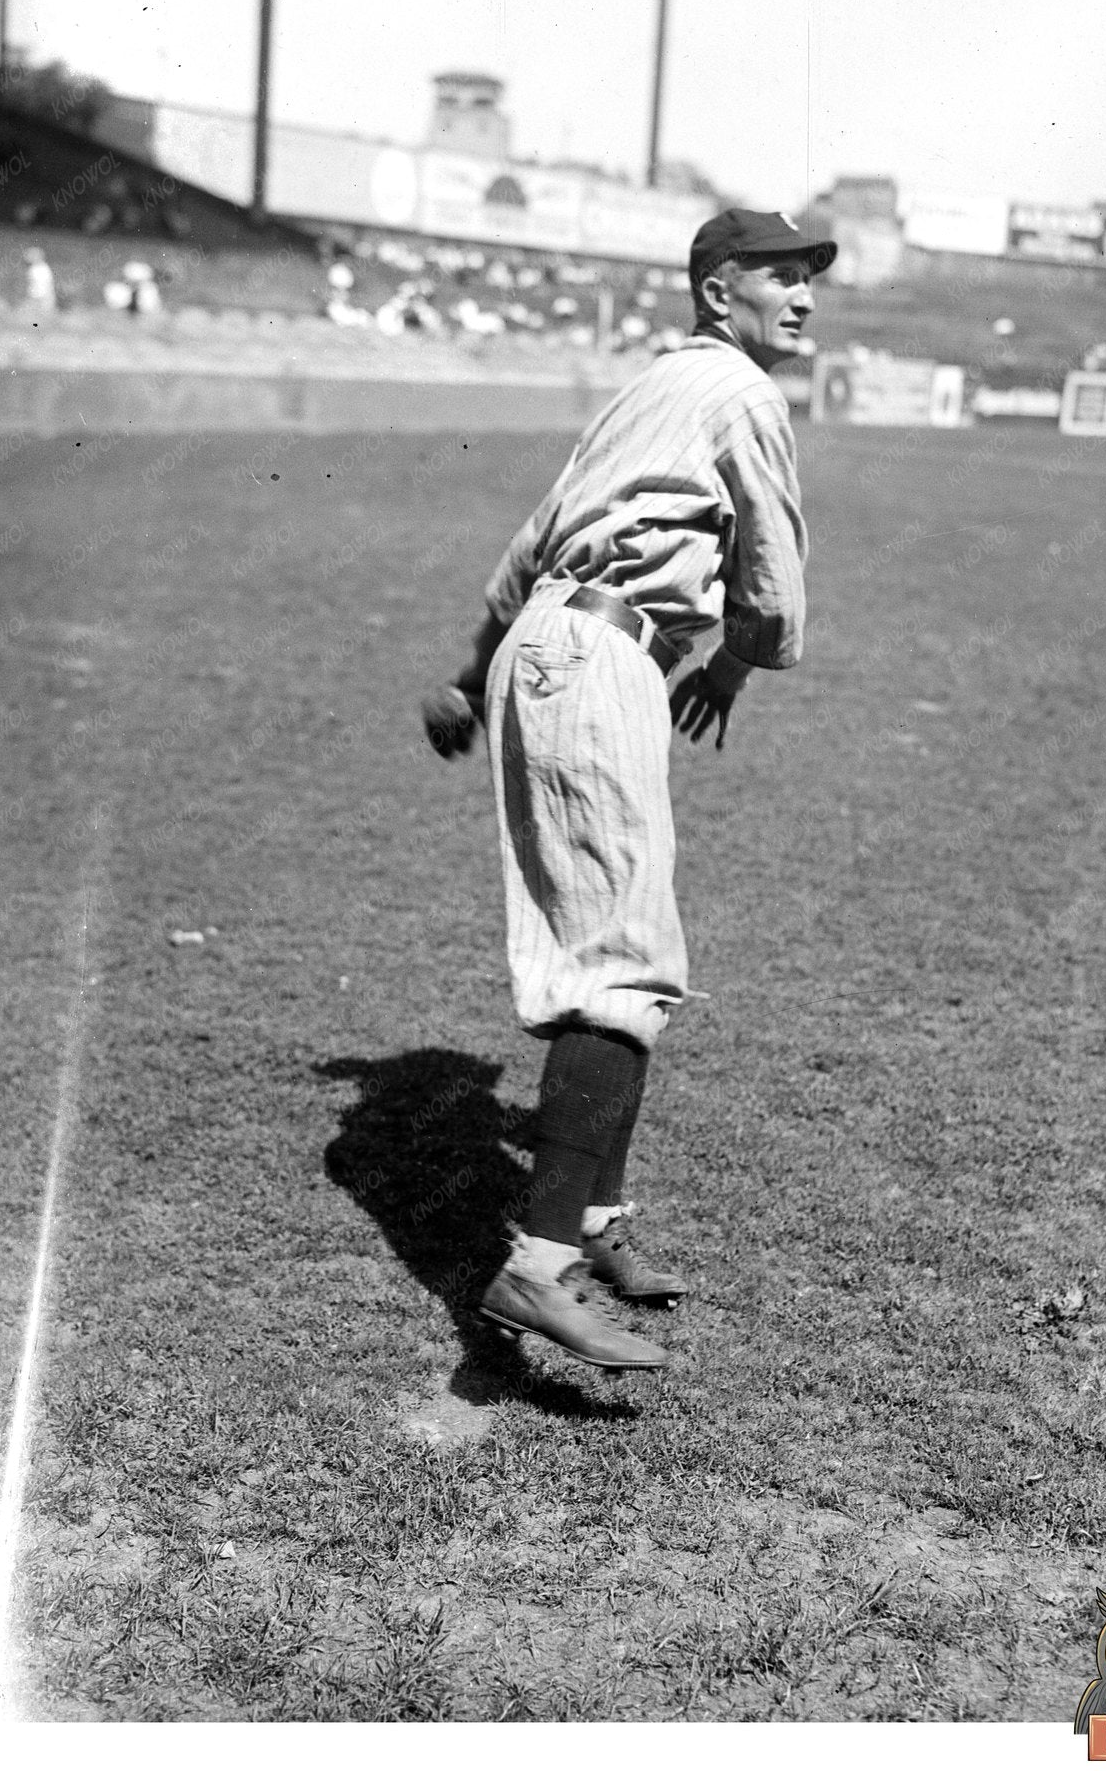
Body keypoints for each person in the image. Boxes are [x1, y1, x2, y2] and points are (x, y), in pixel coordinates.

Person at [420, 209, 836, 1371]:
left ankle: (595, 1226)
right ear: (717, 294)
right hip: (603, 655)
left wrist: (469, 677)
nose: (802, 297)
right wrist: (747, 655)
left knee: (618, 939)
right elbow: (774, 567)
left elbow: (532, 541)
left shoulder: (647, 386)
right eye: (779, 278)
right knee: (622, 962)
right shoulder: (743, 394)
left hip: (558, 649)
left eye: (811, 279)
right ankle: (537, 1266)